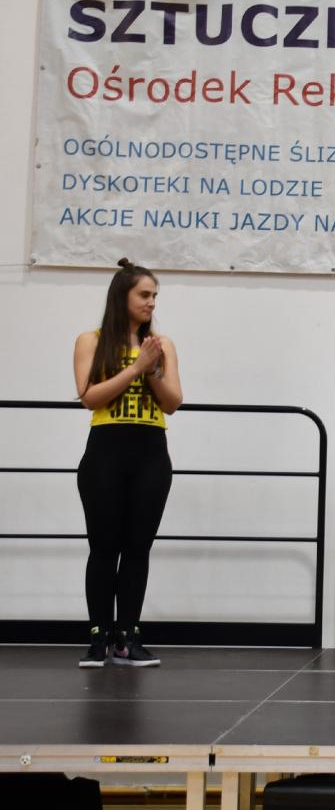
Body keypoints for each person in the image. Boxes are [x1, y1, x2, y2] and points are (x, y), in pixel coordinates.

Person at [73, 258, 183, 668]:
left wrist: (151, 368)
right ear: (122, 296)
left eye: (155, 296)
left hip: (151, 451)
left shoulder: (162, 344)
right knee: (104, 547)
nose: (151, 302)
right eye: (144, 294)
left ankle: (128, 637)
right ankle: (99, 636)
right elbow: (89, 396)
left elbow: (173, 402)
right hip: (105, 449)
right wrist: (135, 366)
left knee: (138, 547)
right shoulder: (91, 341)